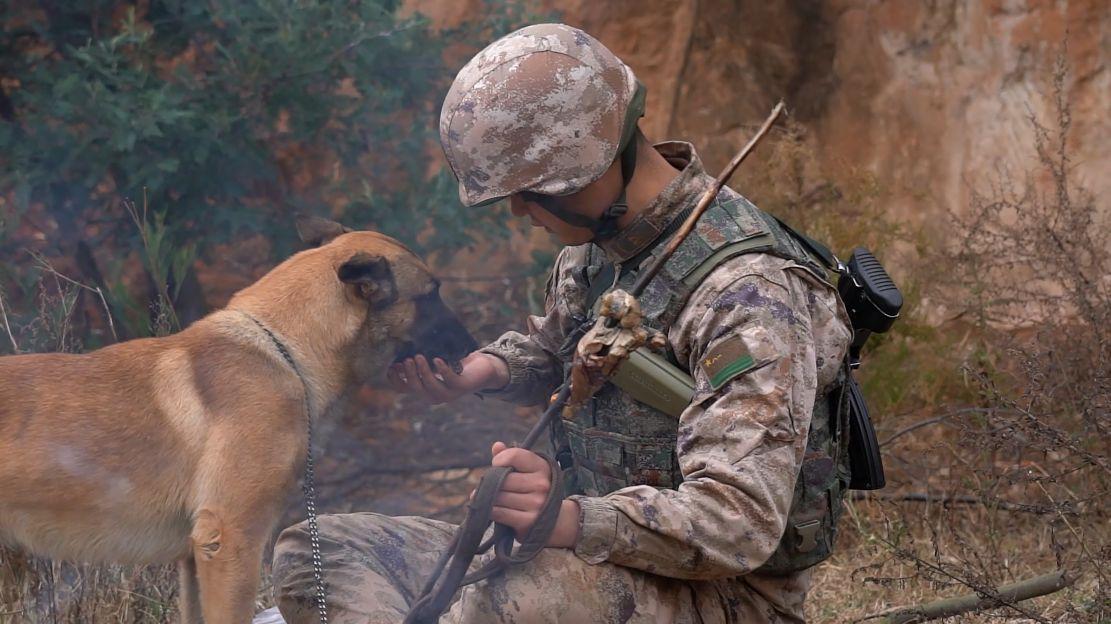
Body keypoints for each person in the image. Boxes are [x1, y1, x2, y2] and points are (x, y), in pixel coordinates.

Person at [272, 23, 852, 624]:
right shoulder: (595, 247)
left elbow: (738, 520)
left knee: (495, 603)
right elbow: (565, 349)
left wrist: (566, 518)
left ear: (590, 164)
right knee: (317, 551)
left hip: (724, 595)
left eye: (530, 193)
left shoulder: (747, 292)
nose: (521, 212)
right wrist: (488, 371)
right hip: (584, 555)